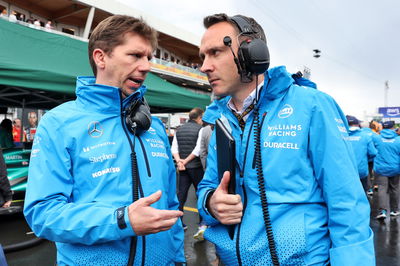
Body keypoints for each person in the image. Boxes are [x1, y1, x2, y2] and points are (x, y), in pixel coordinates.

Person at [197, 13, 374, 265]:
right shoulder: (221, 120)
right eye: (202, 56)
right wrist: (211, 204)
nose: (204, 66)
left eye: (215, 52)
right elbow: (207, 186)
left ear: (251, 52)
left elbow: (346, 203)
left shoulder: (312, 106)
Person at [24, 15, 185, 265]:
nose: (146, 66)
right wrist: (121, 220)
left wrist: (178, 259)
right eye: (135, 55)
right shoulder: (59, 123)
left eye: (149, 58)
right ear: (101, 57)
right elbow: (43, 214)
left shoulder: (152, 127)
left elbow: (171, 206)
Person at [171, 107, 206, 235]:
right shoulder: (201, 129)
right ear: (200, 117)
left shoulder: (179, 130)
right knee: (201, 194)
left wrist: (180, 161)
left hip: (183, 168)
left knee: (181, 195)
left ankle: (179, 222)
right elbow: (198, 150)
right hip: (196, 167)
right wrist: (185, 162)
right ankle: (203, 223)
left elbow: (174, 148)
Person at [373, 120, 400, 219]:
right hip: (395, 168)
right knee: (395, 188)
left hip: (381, 168)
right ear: (393, 128)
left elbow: (372, 151)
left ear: (383, 128)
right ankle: (395, 210)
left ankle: (382, 211)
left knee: (382, 189)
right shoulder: (398, 140)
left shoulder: (376, 138)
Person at [346, 115, 377, 192]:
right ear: (357, 124)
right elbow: (373, 153)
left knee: (349, 193)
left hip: (346, 171)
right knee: (363, 192)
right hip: (361, 170)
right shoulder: (365, 136)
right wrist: (365, 158)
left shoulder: (340, 135)